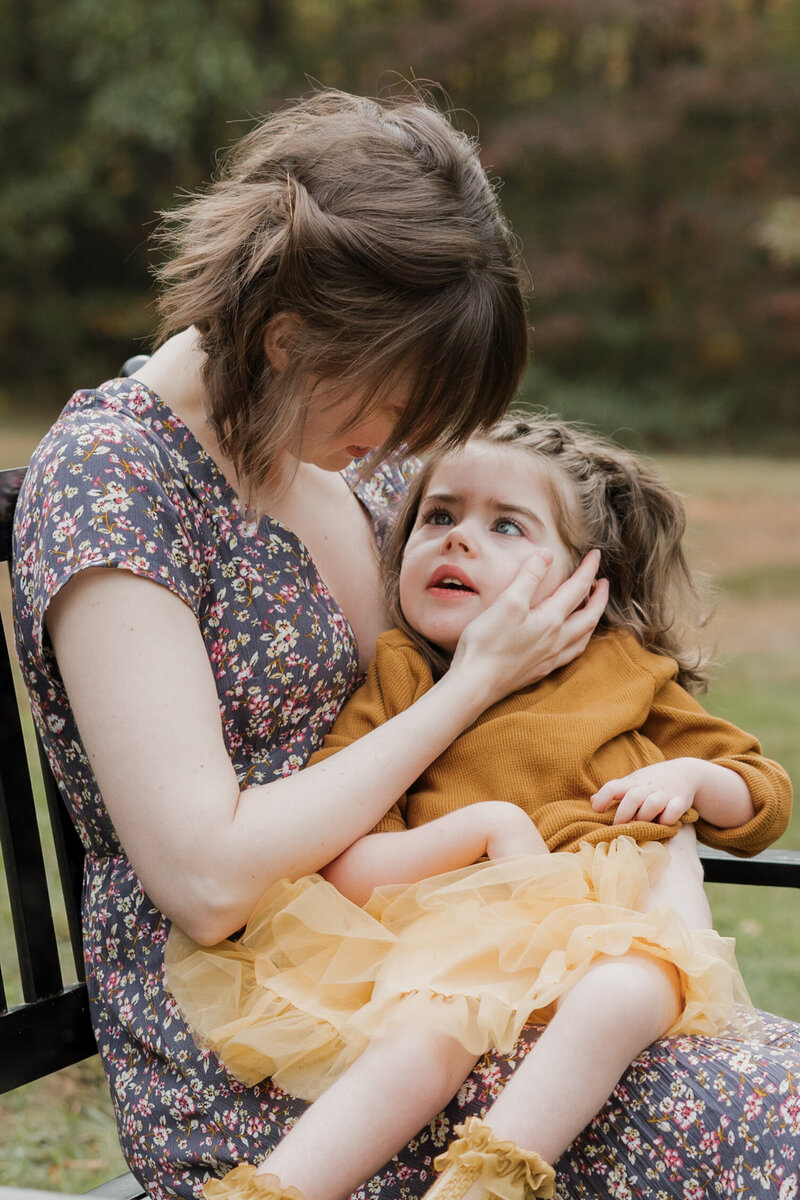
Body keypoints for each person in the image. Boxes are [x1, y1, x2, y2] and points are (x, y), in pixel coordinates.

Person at [10, 86, 799, 1200]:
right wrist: (471, 686)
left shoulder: (344, 460)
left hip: (455, 955)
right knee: (767, 1119)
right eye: (400, 396)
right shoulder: (121, 478)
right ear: (288, 340)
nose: (414, 440)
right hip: (268, 1046)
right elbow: (205, 875)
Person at [165, 415, 792, 1200]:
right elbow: (345, 869)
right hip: (461, 943)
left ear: (585, 581)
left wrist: (695, 779)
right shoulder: (402, 679)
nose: (459, 540)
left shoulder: (622, 669)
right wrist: (485, 828)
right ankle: (277, 1191)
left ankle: (491, 1180)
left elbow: (761, 794)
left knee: (623, 990)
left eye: (505, 525)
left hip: (616, 934)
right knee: (427, 1030)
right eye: (439, 516)